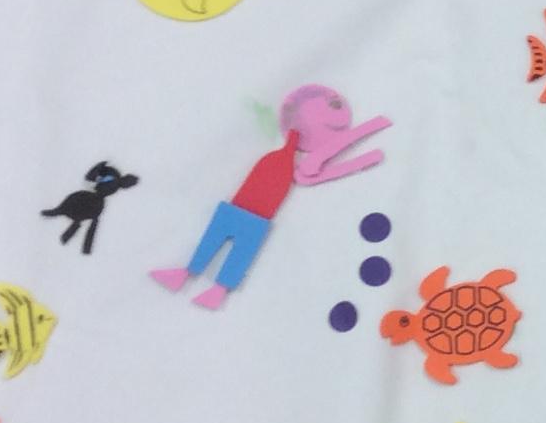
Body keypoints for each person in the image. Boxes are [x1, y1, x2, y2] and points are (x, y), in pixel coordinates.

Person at [150, 84, 389, 310]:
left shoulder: (296, 167)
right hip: (244, 213)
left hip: (251, 217)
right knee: (224, 245)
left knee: (234, 250)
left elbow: (326, 168)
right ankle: (190, 276)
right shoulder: (287, 163)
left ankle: (213, 288)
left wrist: (370, 149)